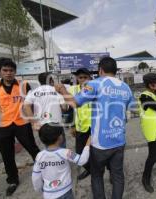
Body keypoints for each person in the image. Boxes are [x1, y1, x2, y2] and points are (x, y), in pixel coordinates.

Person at [55, 57, 134, 199]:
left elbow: (74, 103)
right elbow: (131, 110)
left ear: (100, 70)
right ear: (115, 71)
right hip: (119, 141)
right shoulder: (126, 87)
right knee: (117, 176)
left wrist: (62, 90)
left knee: (97, 176)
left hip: (100, 144)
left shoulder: (94, 84)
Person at [0, 58, 40, 196]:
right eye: (5, 70)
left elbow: (31, 105)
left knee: (33, 148)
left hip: (22, 123)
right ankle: (13, 180)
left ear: (15, 72)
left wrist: (34, 121)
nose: (8, 73)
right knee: (7, 155)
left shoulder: (24, 85)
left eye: (11, 70)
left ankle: (45, 169)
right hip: (1, 126)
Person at [32, 123, 90, 199]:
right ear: (60, 137)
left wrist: (39, 190)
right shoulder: (66, 153)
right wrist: (87, 144)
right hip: (65, 192)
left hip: (48, 194)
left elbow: (35, 177)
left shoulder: (39, 156)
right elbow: (82, 160)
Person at [23, 72, 67, 147]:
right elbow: (64, 107)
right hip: (56, 124)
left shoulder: (32, 92)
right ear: (51, 80)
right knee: (61, 147)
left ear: (40, 81)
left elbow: (26, 107)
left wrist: (34, 122)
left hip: (42, 125)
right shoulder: (56, 91)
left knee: (49, 147)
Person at [68, 68, 92, 180]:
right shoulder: (72, 90)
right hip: (81, 128)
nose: (82, 80)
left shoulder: (95, 89)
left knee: (102, 153)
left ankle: (111, 171)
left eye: (85, 77)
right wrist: (72, 125)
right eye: (80, 77)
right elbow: (69, 109)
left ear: (90, 78)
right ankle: (91, 170)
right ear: (77, 78)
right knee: (79, 154)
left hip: (95, 127)